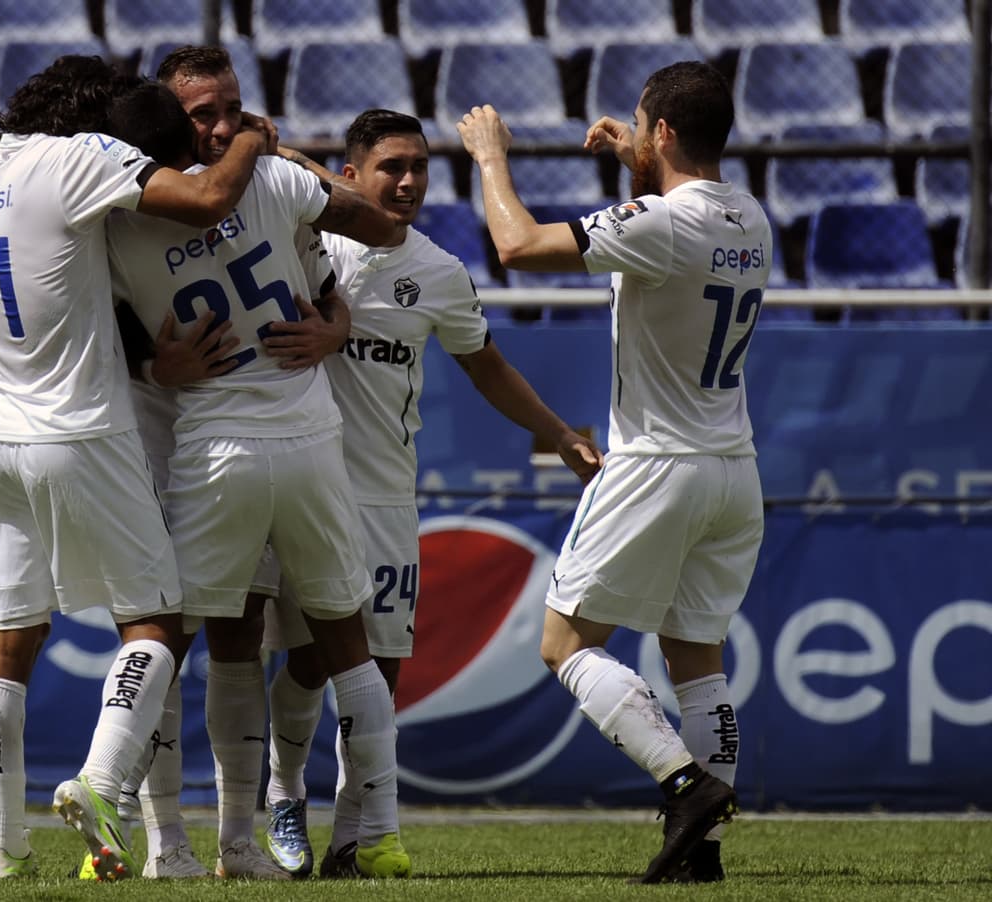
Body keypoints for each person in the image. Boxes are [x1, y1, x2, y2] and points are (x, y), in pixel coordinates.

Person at [257, 109, 604, 878]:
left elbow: (486, 366)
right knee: (307, 660)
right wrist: (272, 143)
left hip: (382, 496)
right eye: (391, 167)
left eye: (419, 166)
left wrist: (556, 431)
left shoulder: (440, 271)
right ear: (349, 175)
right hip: (295, 483)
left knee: (378, 671)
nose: (409, 181)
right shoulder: (304, 243)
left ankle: (359, 836)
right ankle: (282, 795)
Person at [457, 60, 769, 884]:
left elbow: (518, 245)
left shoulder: (665, 225)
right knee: (696, 654)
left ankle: (685, 785)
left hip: (655, 464)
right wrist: (638, 160)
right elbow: (671, 211)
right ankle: (702, 851)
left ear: (664, 131)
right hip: (732, 468)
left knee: (565, 644)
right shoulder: (752, 216)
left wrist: (489, 157)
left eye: (642, 124)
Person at [0, 55, 268, 881]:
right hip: (81, 432)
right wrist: (251, 141)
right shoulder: (76, 158)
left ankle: (2, 848)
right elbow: (206, 198)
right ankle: (101, 789)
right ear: (97, 114)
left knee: (9, 637)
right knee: (157, 623)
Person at [103, 76, 413, 880]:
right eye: (201, 115)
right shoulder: (274, 177)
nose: (220, 126)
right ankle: (171, 837)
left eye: (230, 112)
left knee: (168, 640)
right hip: (263, 440)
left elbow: (336, 271)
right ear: (171, 120)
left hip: (217, 447)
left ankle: (177, 820)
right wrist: (148, 360)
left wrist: (337, 322)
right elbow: (376, 223)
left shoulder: (118, 215)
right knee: (337, 644)